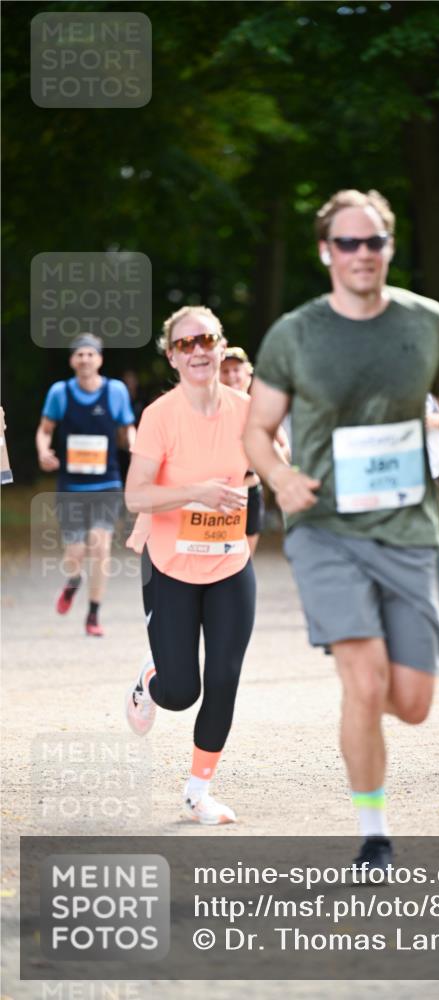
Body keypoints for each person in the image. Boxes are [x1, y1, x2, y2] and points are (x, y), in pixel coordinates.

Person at [244, 188, 439, 870]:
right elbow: (257, 431)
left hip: (409, 529)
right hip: (324, 528)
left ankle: (370, 727)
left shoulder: (426, 322)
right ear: (325, 251)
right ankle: (373, 832)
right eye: (346, 243)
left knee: (410, 703)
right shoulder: (294, 334)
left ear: (389, 246)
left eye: (372, 241)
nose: (360, 254)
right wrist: (281, 479)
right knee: (363, 677)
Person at [124, 305, 256, 825]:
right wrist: (197, 492)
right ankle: (151, 677)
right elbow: (136, 495)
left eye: (206, 339)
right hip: (170, 568)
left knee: (223, 678)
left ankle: (198, 792)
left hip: (229, 564)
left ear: (221, 347)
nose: (197, 350)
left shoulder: (248, 408)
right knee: (181, 693)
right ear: (172, 357)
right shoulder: (160, 416)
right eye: (185, 344)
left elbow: (277, 461)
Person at [35, 334, 136, 636]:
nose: (85, 360)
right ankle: (73, 581)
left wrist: (135, 446)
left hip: (107, 483)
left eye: (90, 355)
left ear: (99, 359)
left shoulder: (115, 391)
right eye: (79, 355)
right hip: (71, 486)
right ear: (72, 361)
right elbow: (44, 430)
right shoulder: (60, 392)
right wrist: (43, 452)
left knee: (101, 545)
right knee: (75, 552)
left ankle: (93, 614)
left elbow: (127, 426)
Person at [220, 345, 290, 556]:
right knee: (215, 556)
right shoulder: (210, 408)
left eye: (236, 370)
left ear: (248, 374)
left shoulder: (258, 408)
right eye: (225, 370)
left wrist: (261, 461)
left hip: (249, 490)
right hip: (218, 493)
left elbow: (284, 448)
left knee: (244, 559)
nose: (232, 375)